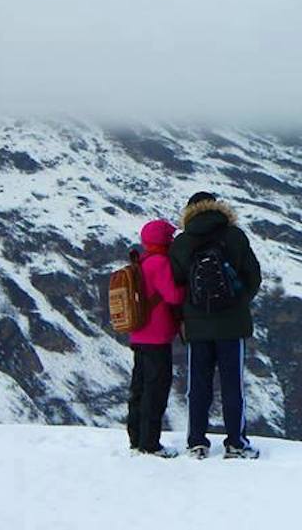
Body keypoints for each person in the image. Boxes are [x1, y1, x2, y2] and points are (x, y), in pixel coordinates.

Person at [169, 191, 262, 459]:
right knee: (233, 386)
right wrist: (237, 302)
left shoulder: (182, 242)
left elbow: (177, 283)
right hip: (232, 325)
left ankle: (197, 443)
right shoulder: (235, 236)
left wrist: (189, 312)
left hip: (197, 327)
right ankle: (236, 444)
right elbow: (253, 276)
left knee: (198, 386)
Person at [126, 218, 186, 457]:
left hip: (138, 334)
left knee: (139, 389)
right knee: (156, 390)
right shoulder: (160, 263)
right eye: (169, 237)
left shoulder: (141, 262)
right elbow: (173, 296)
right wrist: (186, 286)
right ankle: (150, 443)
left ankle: (136, 439)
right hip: (157, 337)